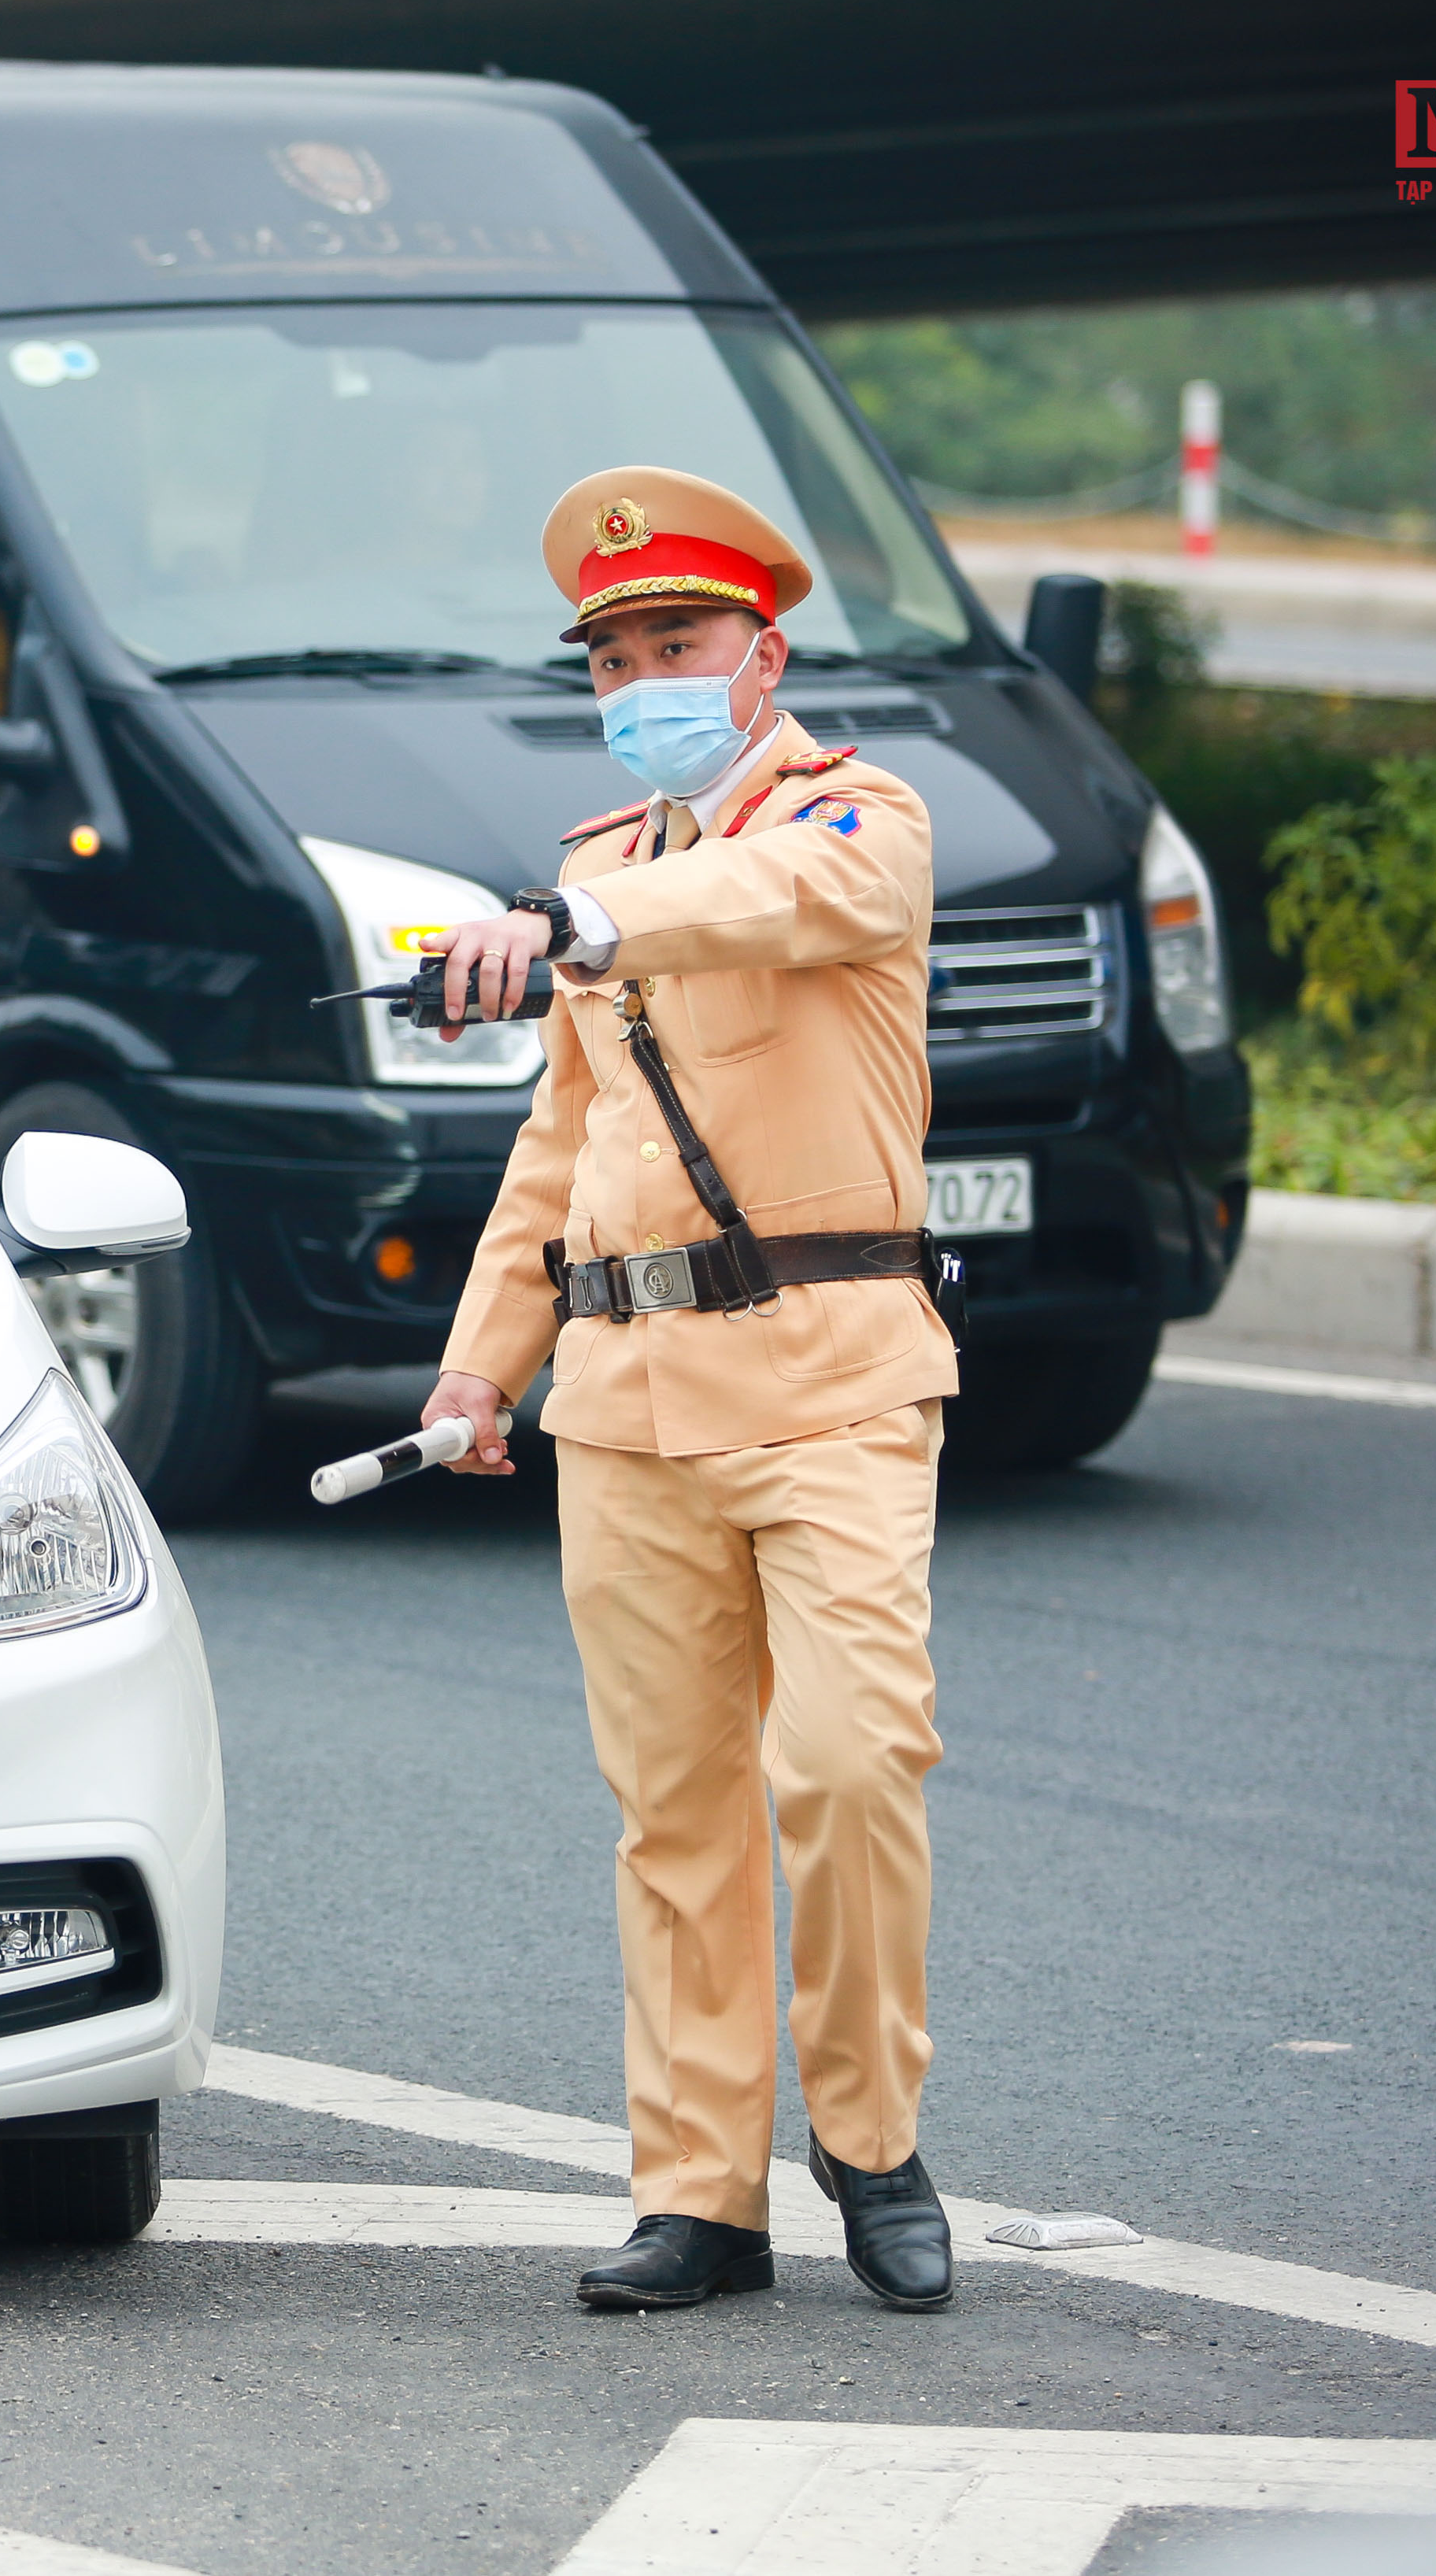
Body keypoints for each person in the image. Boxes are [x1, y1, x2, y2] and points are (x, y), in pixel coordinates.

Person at [416, 465, 961, 2316]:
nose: (646, 672)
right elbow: (559, 1149)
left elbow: (786, 897)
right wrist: (482, 1367)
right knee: (674, 1812)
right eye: (618, 651)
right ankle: (699, 2191)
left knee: (852, 1758)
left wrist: (578, 928)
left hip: (830, 1382)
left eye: (679, 640)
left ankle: (870, 2131)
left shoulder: (855, 819)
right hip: (627, 1396)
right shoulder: (602, 868)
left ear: (762, 654)